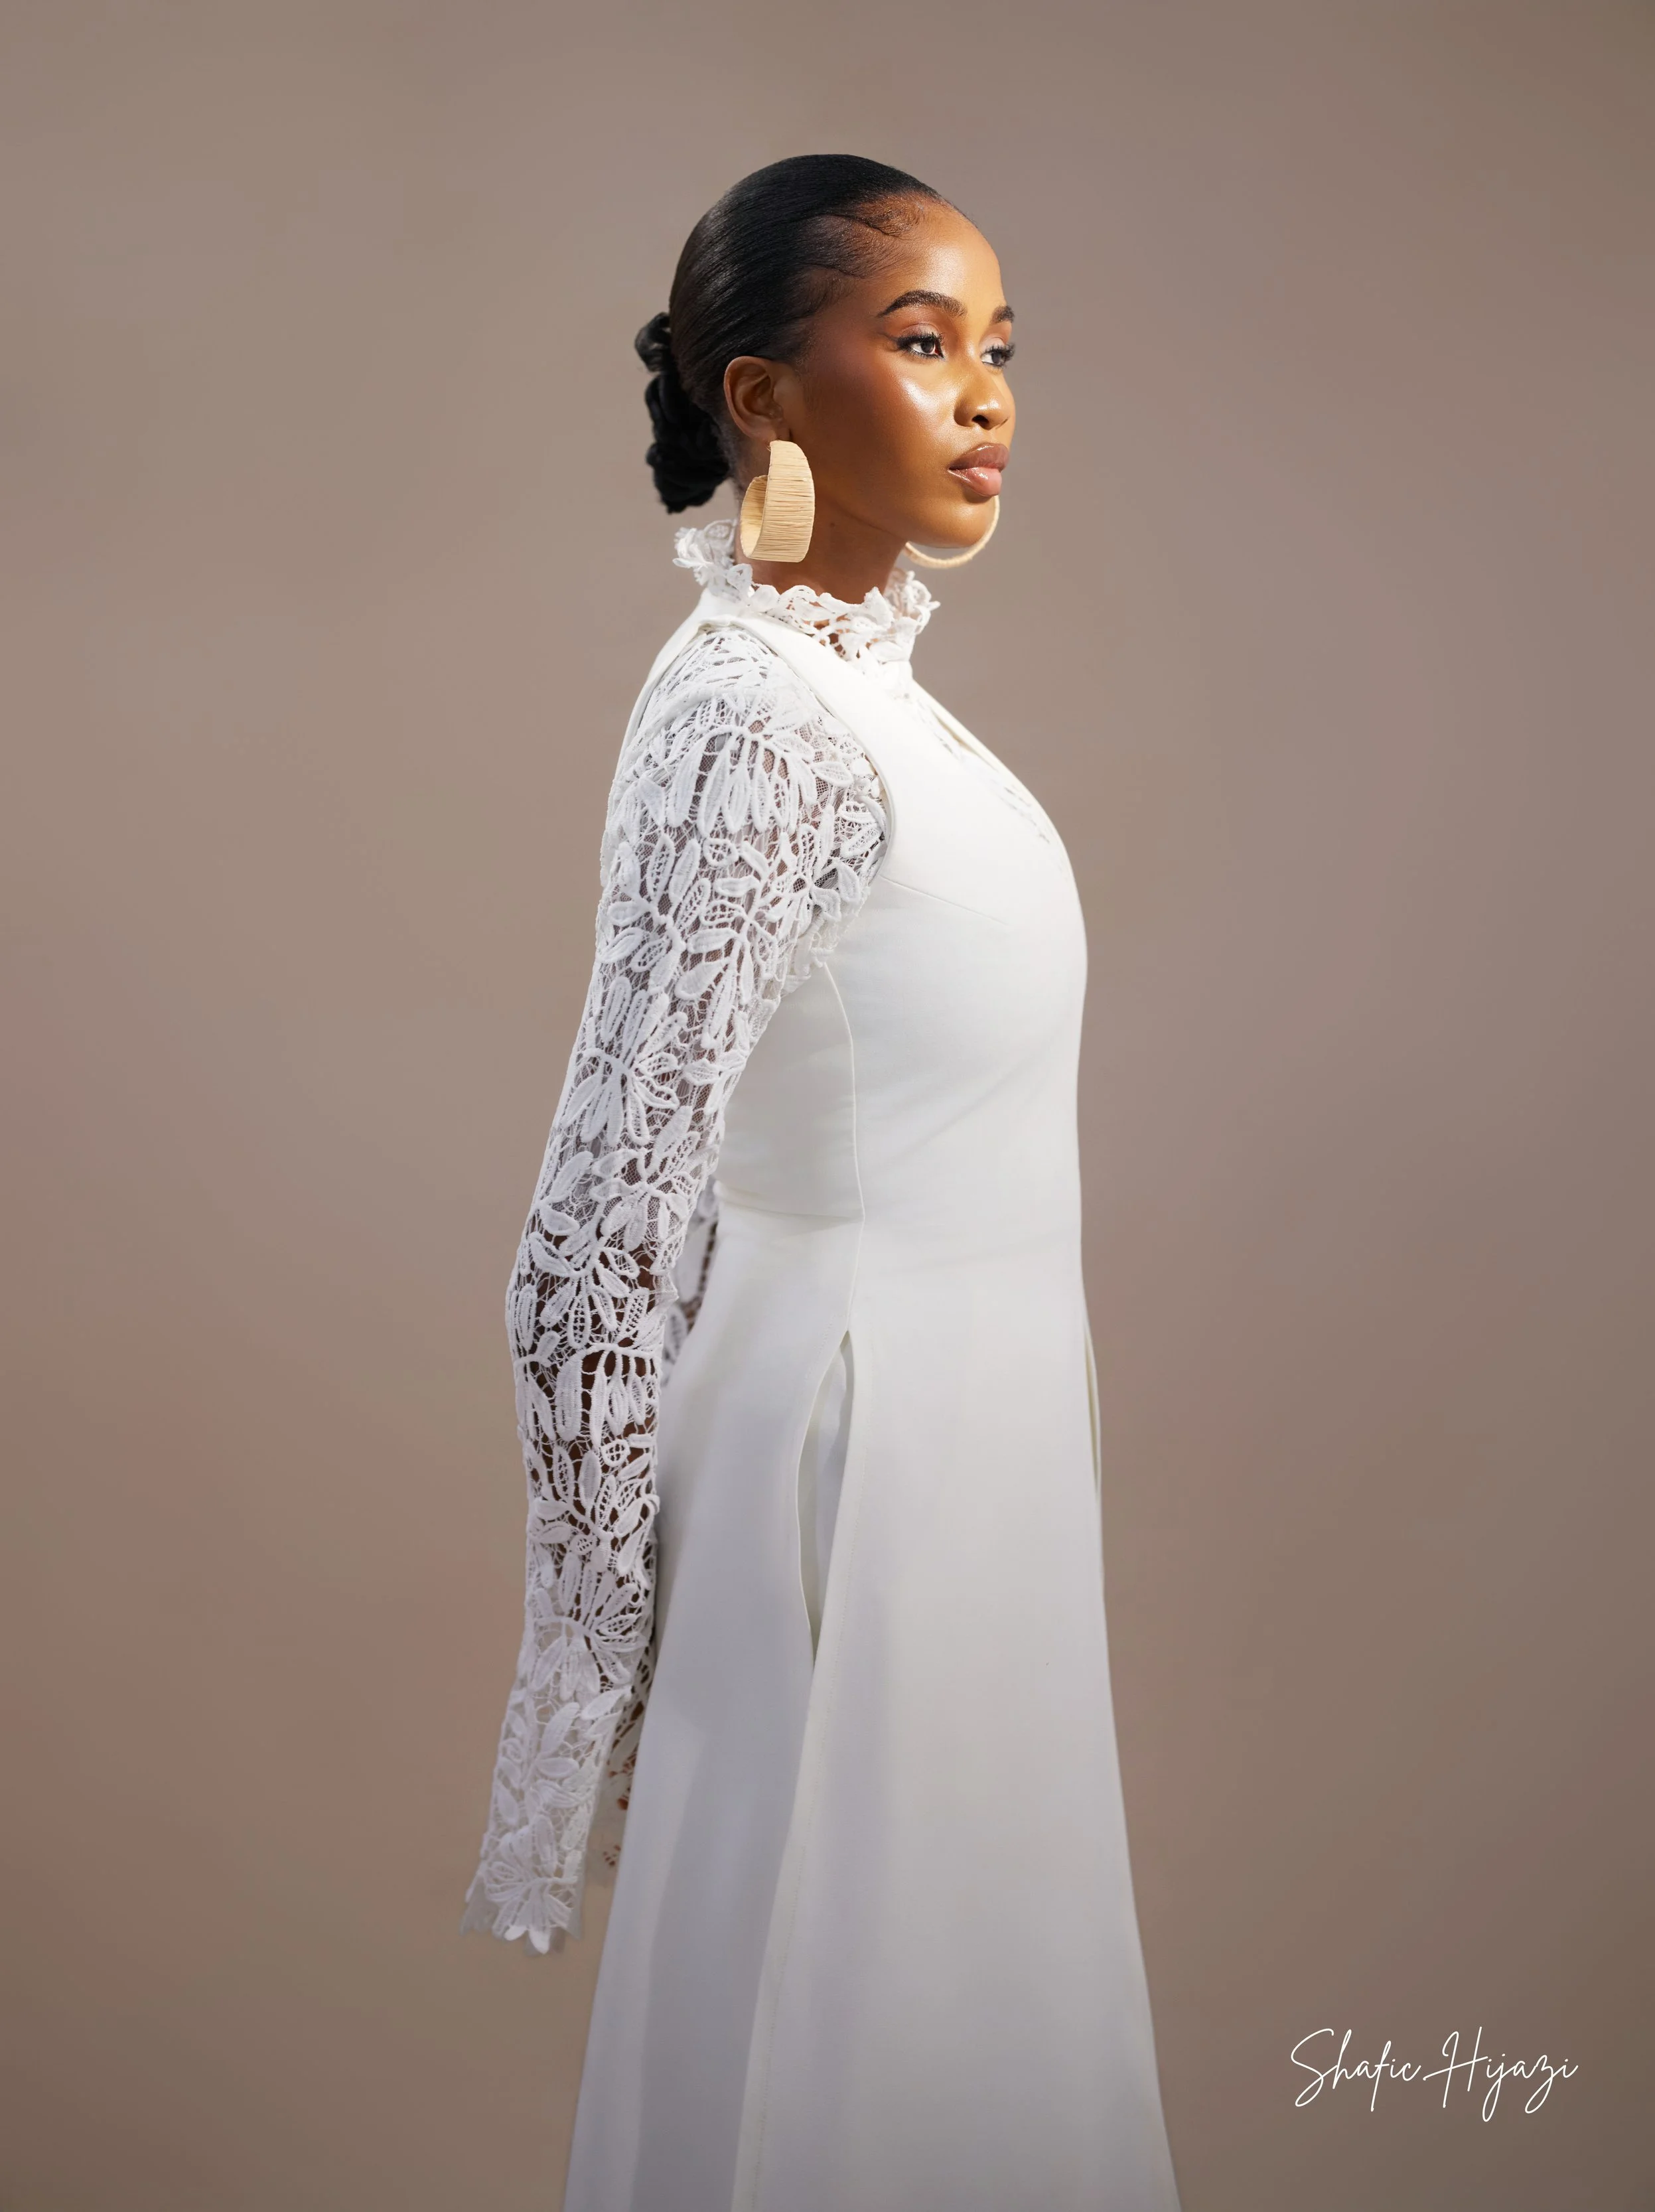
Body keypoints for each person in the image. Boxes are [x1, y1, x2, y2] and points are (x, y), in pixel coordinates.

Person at [463, 153, 1184, 2212]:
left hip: (974, 1453)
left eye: (1001, 351)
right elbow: (595, 1228)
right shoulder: (749, 725)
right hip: (849, 1465)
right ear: (765, 399)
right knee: (837, 2042)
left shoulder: (871, 704)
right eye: (923, 339)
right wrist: (597, 1670)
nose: (986, 398)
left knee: (966, 2027)